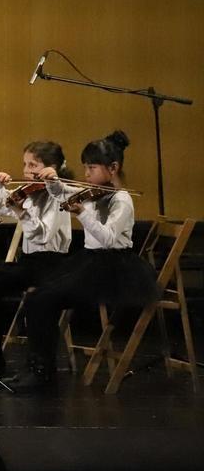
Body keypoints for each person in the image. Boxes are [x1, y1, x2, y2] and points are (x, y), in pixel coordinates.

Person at [13, 131, 157, 391]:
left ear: (113, 168)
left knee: (43, 299)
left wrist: (81, 214)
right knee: (36, 297)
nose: (86, 174)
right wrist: (54, 181)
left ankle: (44, 373)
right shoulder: (93, 193)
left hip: (113, 267)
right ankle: (36, 367)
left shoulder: (122, 200)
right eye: (85, 167)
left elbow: (109, 238)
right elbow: (62, 192)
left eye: (92, 168)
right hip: (90, 261)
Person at [0, 141, 72, 379]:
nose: (26, 171)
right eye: (25, 164)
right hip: (29, 262)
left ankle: (1, 359)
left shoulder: (59, 196)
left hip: (52, 264)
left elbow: (43, 235)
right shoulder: (30, 193)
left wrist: (21, 211)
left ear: (51, 169)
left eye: (33, 165)